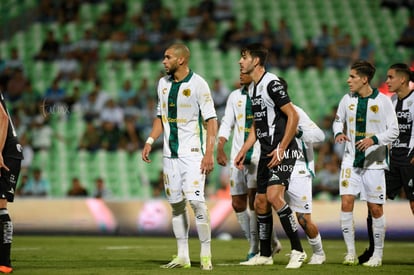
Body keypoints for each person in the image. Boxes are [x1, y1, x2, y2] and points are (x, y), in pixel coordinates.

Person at [141, 43, 217, 270]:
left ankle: (205, 255)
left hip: (193, 154)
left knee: (196, 202)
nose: (164, 61)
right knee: (176, 205)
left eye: (168, 57)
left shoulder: (198, 84)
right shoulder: (162, 84)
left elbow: (212, 120)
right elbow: (159, 117)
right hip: (169, 156)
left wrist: (209, 153)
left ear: (181, 60)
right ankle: (182, 256)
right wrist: (149, 141)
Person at [235, 43, 306, 269]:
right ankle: (265, 254)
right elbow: (258, 124)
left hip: (281, 149)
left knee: (275, 197)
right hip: (267, 151)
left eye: (244, 57)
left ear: (256, 61)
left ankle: (298, 250)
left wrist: (282, 147)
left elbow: (293, 116)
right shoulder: (253, 88)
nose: (240, 61)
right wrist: (245, 148)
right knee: (260, 202)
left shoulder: (272, 84)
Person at [333, 60, 399, 267]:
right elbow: (337, 120)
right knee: (346, 203)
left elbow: (394, 131)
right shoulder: (346, 99)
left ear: (364, 79)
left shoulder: (384, 101)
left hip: (375, 162)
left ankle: (377, 256)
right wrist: (338, 132)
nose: (348, 80)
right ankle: (350, 253)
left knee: (375, 208)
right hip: (350, 161)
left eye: (352, 77)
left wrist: (374, 139)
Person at [359, 63, 414, 264]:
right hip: (392, 161)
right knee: (373, 203)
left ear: (402, 79)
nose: (387, 81)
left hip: (410, 160)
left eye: (390, 77)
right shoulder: (391, 101)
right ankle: (374, 251)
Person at [278, 78, 327, 264]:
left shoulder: (297, 112)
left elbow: (320, 135)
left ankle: (319, 253)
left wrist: (297, 131)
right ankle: (275, 250)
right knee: (264, 203)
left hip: (299, 170)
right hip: (280, 168)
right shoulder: (269, 114)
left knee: (303, 219)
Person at [216, 72, 260, 260]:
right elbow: (227, 122)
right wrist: (220, 146)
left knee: (256, 203)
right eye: (240, 73)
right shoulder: (234, 96)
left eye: (245, 73)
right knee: (237, 203)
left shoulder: (263, 94)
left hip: (258, 156)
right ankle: (256, 244)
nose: (241, 76)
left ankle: (259, 246)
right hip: (237, 157)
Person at [0, 90, 24, 274]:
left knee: (0, 206)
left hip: (6, 152)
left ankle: (5, 262)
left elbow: (2, 118)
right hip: (8, 150)